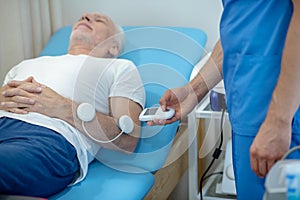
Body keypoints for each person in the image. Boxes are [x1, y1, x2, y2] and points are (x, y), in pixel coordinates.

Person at [149, 0, 300, 199]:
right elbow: (242, 28)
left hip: (281, 116)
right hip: (249, 113)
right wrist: (193, 91)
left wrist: (278, 121)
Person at [0, 12, 145, 197]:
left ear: (113, 47)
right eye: (82, 18)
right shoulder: (25, 64)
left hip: (46, 140)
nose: (85, 17)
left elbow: (128, 140)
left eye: (99, 20)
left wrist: (61, 107)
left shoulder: (120, 68)